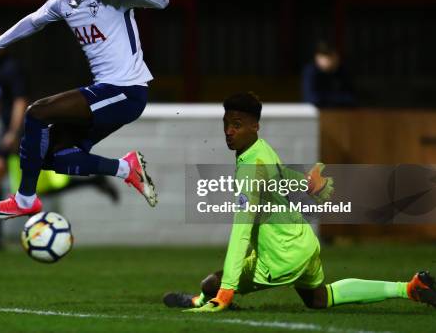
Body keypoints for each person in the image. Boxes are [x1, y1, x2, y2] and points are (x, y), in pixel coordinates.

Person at [163, 92, 435, 311]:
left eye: (237, 125)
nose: (229, 132)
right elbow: (280, 178)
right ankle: (408, 288)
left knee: (212, 283)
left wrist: (228, 288)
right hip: (303, 243)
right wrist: (305, 181)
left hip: (282, 257)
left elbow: (241, 229)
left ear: (254, 126)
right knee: (319, 298)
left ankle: (204, 299)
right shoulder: (261, 148)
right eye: (226, 125)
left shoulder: (250, 167)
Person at [0, 0, 168, 219]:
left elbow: (162, 0)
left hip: (127, 91)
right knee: (53, 157)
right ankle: (126, 169)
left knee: (37, 112)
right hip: (105, 91)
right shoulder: (62, 2)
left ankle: (25, 199)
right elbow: (33, 21)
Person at [0, 25, 120, 250]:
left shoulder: (11, 68)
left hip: (18, 133)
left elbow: (21, 101)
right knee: (29, 188)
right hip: (10, 131)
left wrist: (13, 132)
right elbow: (7, 98)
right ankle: (93, 181)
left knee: (2, 181)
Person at [302, 41, 356, 107]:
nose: (330, 59)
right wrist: (336, 98)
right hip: (319, 112)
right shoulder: (311, 71)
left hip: (341, 112)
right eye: (326, 56)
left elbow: (351, 98)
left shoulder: (343, 71)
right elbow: (311, 99)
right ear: (317, 57)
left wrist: (324, 97)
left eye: (332, 56)